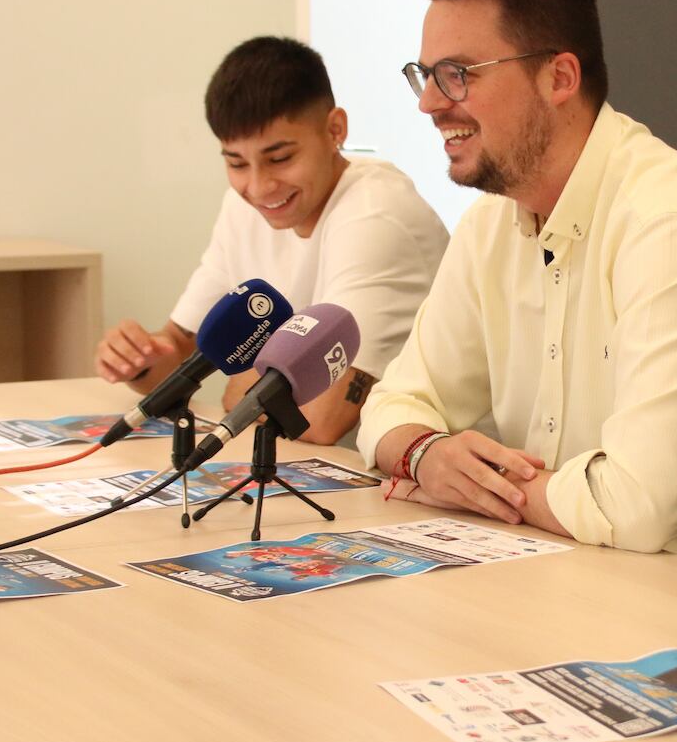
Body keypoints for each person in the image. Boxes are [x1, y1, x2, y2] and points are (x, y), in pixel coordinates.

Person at [357, 0, 677, 570]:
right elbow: (391, 405)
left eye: (458, 74)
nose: (429, 103)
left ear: (559, 78)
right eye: (423, 75)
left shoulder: (669, 224)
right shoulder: (490, 222)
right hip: (565, 561)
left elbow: (635, 507)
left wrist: (487, 489)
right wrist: (425, 455)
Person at [94, 37, 450, 444]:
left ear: (335, 129)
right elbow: (180, 348)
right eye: (236, 163)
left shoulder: (377, 215)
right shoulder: (242, 206)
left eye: (280, 159)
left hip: (414, 479)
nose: (259, 187)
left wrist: (237, 385)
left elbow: (319, 419)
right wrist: (139, 360)